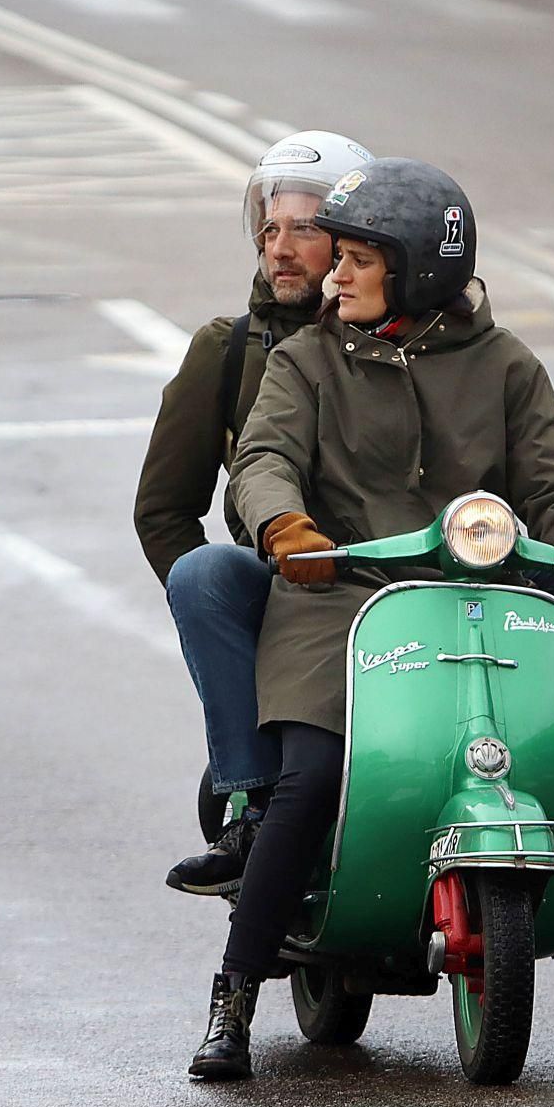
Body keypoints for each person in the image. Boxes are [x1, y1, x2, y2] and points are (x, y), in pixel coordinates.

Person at [189, 158, 554, 1080]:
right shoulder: (306, 358)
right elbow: (261, 459)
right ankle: (232, 1000)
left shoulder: (507, 365)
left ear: (415, 271)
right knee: (310, 774)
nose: (334, 274)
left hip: (484, 595)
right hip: (339, 596)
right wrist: (284, 525)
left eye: (356, 259)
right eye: (334, 257)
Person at [133, 131, 375, 897]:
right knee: (205, 571)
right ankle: (249, 801)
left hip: (398, 584)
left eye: (305, 227)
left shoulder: (399, 337)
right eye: (270, 229)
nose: (281, 248)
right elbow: (164, 511)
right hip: (285, 588)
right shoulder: (228, 348)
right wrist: (231, 627)